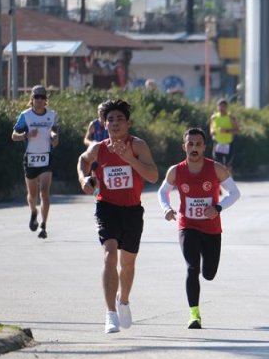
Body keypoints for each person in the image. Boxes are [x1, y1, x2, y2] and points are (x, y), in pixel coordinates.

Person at [77, 99, 159, 334]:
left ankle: (124, 300)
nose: (114, 123)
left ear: (128, 123)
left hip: (132, 210)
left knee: (128, 263)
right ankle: (110, 312)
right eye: (110, 119)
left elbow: (153, 176)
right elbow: (83, 160)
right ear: (104, 123)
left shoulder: (138, 146)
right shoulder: (98, 148)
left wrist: (130, 160)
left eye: (119, 119)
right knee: (109, 254)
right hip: (107, 207)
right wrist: (84, 179)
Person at [157, 128, 241, 329]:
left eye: (197, 144)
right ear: (184, 146)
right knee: (192, 268)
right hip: (188, 226)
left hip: (212, 229)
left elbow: (235, 193)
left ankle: (205, 274)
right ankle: (194, 314)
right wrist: (167, 209)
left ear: (204, 147)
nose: (193, 148)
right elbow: (162, 192)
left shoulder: (216, 169)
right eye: (190, 144)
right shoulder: (176, 171)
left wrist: (218, 207)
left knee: (209, 273)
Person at [11, 85, 59, 240]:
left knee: (44, 192)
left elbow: (55, 133)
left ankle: (44, 226)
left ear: (46, 100)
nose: (39, 100)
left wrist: (54, 137)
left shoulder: (52, 115)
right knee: (32, 195)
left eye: (42, 97)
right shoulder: (26, 115)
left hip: (46, 157)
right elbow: (14, 135)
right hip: (30, 157)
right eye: (36, 97)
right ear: (31, 99)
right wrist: (26, 135)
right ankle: (33, 211)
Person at [209, 99, 240, 168]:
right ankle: (219, 179)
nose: (221, 108)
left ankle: (229, 178)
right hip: (218, 143)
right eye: (220, 106)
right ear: (217, 107)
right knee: (217, 164)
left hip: (228, 143)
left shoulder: (231, 117)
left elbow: (237, 130)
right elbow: (211, 127)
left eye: (223, 106)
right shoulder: (214, 117)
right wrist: (212, 132)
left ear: (227, 107)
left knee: (228, 165)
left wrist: (227, 131)